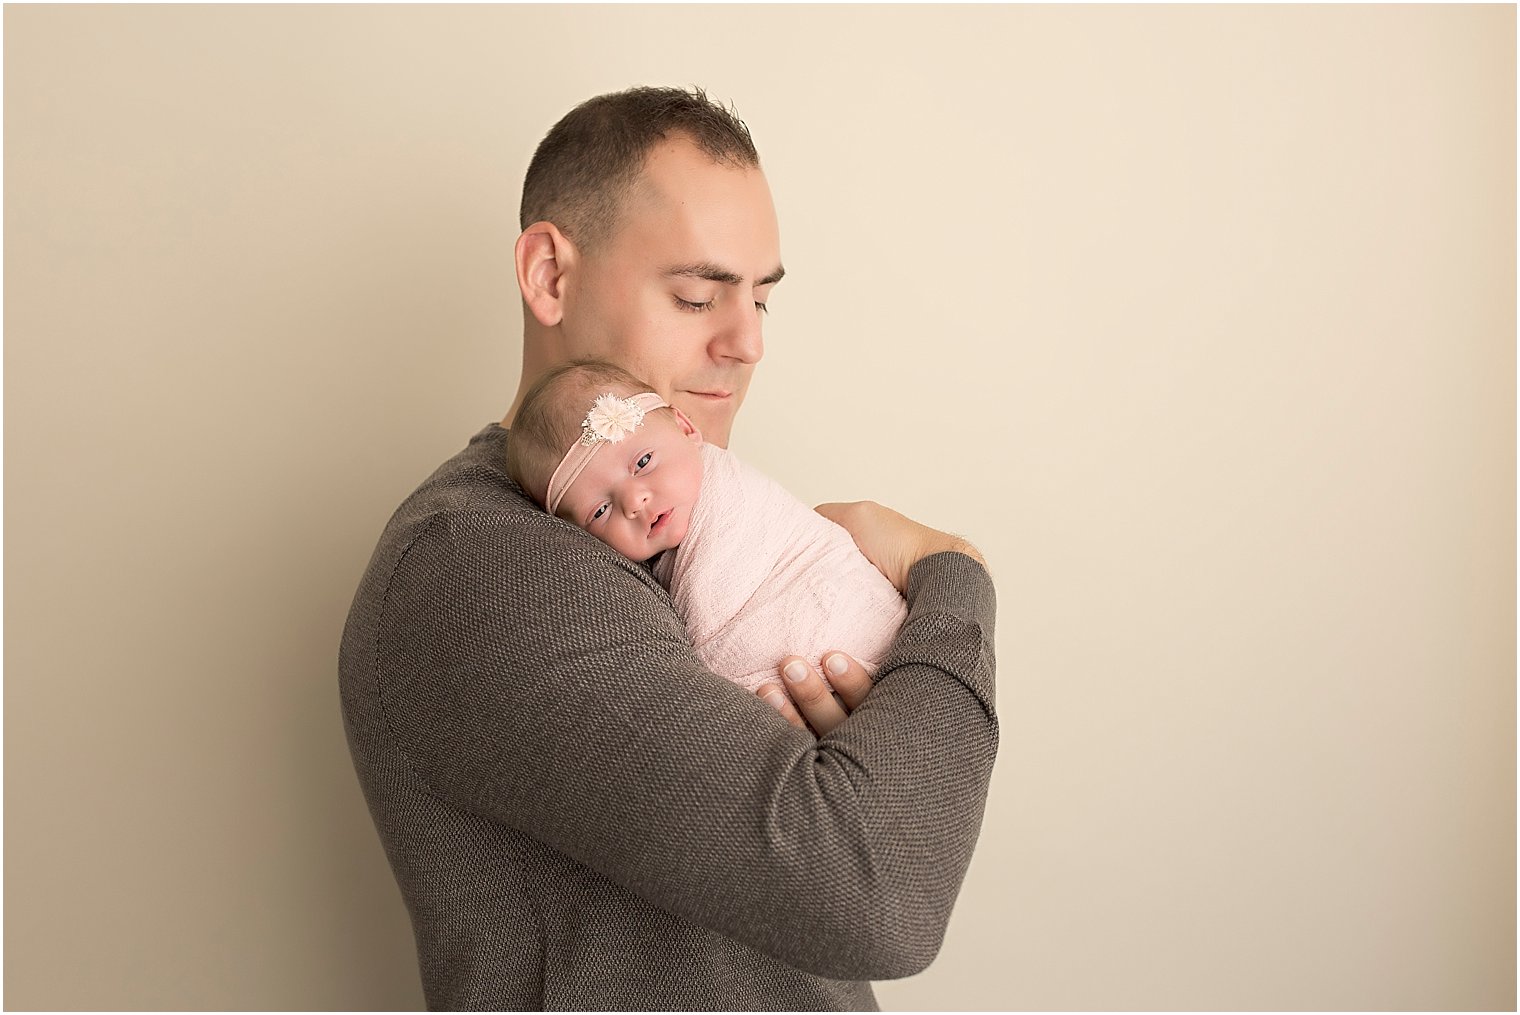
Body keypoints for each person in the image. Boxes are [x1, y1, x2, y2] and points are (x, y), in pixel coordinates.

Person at [339, 85, 999, 1011]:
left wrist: (870, 749)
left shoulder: (691, 541)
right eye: (698, 295)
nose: (747, 343)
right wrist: (953, 576)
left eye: (762, 300)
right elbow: (879, 890)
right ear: (549, 276)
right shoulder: (481, 566)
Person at [504, 357, 909, 695]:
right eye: (600, 511)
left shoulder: (726, 493)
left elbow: (709, 643)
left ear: (686, 429)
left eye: (643, 462)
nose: (634, 502)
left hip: (855, 617)